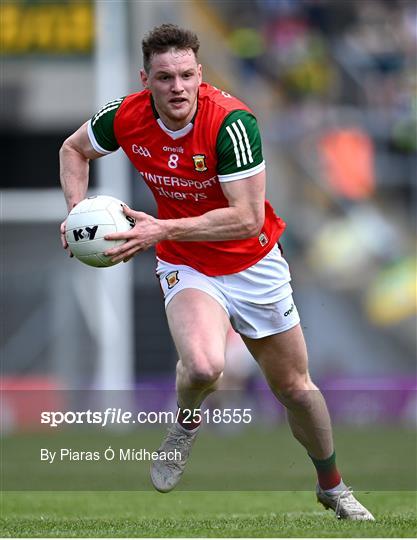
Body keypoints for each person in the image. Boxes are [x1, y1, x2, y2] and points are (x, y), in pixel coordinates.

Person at [59, 24, 374, 520]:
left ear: (200, 74)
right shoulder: (125, 116)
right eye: (164, 77)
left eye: (186, 75)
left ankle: (332, 485)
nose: (177, 87)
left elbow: (246, 217)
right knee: (205, 366)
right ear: (147, 80)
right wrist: (77, 214)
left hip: (253, 262)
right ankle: (184, 426)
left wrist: (161, 228)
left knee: (294, 388)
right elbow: (73, 149)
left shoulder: (232, 123)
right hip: (186, 261)